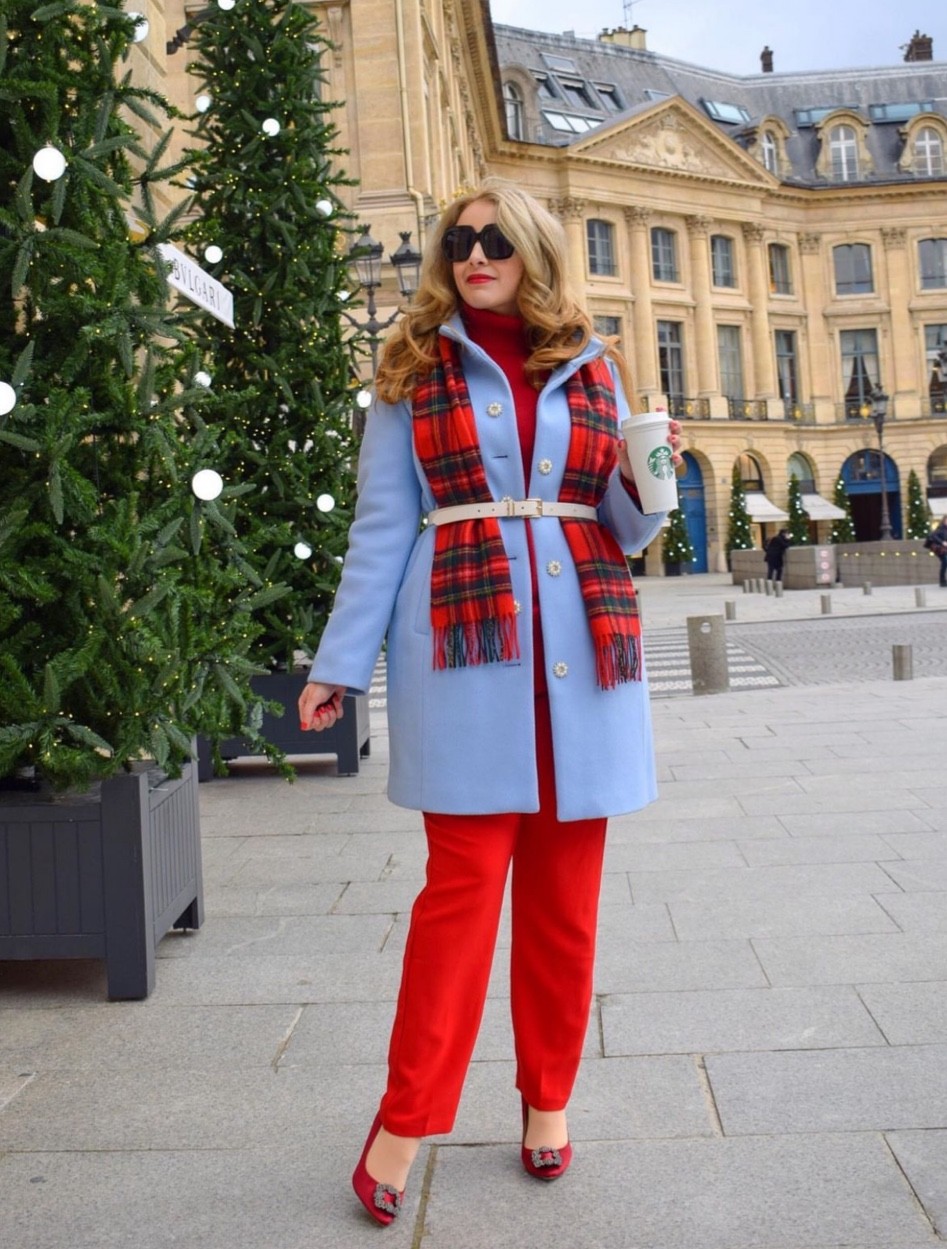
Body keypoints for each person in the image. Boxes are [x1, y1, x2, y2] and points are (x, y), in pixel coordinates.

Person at [298, 178, 681, 1227]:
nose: (474, 255)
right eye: (458, 240)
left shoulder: (594, 368)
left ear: (533, 251)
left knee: (563, 912)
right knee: (455, 904)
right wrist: (337, 664)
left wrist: (653, 482)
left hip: (582, 658)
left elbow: (623, 530)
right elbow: (380, 529)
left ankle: (547, 1101)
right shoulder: (407, 373)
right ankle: (405, 1119)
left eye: (496, 240)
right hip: (467, 659)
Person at [927, 514, 947, 587]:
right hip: (940, 549)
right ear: (944, 521)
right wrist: (942, 542)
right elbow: (933, 536)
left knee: (945, 563)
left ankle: (943, 581)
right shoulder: (941, 528)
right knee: (945, 562)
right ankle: (942, 581)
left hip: (945, 549)